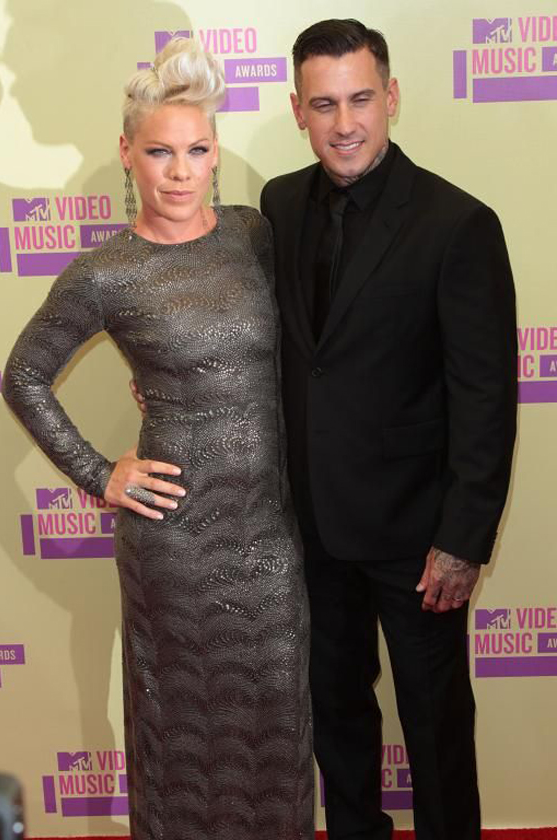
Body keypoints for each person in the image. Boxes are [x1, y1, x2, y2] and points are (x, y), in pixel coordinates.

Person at [3, 38, 313, 840]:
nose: (180, 172)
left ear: (216, 153)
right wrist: (98, 473)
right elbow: (23, 375)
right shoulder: (106, 272)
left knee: (279, 732)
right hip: (175, 547)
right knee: (180, 737)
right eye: (160, 153)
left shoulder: (252, 235)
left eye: (198, 150)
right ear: (126, 154)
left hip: (269, 536)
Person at [258, 18, 517, 840]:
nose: (345, 123)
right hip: (315, 528)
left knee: (435, 731)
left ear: (392, 97)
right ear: (297, 110)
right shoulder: (278, 205)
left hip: (418, 541)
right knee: (336, 720)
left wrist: (463, 540)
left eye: (361, 99)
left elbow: (486, 396)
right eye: (324, 104)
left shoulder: (457, 223)